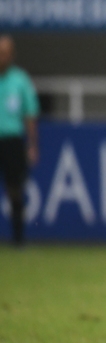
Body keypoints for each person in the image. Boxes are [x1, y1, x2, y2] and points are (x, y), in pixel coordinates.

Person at [0, 35, 39, 246]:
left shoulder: (20, 80)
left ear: (12, 55)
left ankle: (18, 239)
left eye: (5, 53)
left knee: (15, 189)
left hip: (13, 140)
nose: (1, 57)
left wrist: (32, 145)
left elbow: (30, 114)